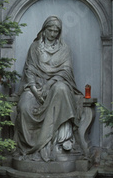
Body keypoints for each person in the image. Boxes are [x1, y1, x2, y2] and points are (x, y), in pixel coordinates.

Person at [14, 16, 83, 162]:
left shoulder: (64, 49)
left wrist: (50, 83)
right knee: (24, 106)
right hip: (35, 85)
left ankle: (59, 142)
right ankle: (30, 147)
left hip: (55, 83)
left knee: (62, 89)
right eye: (50, 30)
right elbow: (30, 69)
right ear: (44, 30)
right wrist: (34, 90)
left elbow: (66, 71)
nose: (52, 34)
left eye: (56, 31)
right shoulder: (34, 47)